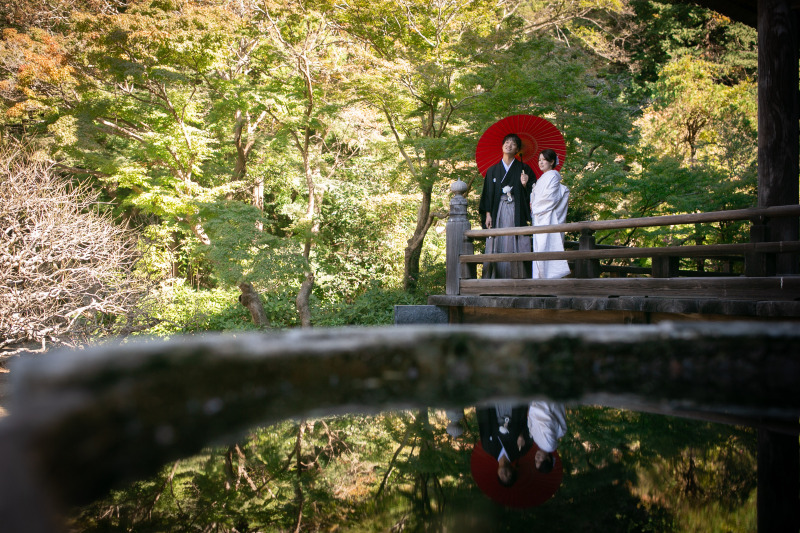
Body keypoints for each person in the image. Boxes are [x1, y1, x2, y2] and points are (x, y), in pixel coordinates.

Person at [478, 133, 534, 279]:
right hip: (498, 211)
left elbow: (534, 193)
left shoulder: (524, 169)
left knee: (515, 238)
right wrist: (488, 214)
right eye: (507, 142)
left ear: (517, 150)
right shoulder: (492, 170)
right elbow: (488, 193)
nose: (509, 145)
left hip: (516, 209)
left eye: (513, 144)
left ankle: (518, 274)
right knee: (497, 239)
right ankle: (496, 275)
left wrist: (525, 184)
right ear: (502, 146)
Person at [530, 148, 571, 279]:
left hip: (548, 217)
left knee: (547, 248)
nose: (541, 162)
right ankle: (540, 281)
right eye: (539, 160)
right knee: (540, 249)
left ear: (552, 162)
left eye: (544, 160)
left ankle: (550, 280)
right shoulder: (542, 178)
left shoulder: (553, 176)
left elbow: (550, 198)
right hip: (539, 217)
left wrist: (535, 205)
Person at [476, 404, 533, 486]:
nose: (505, 474)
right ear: (513, 471)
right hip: (514, 407)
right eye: (509, 476)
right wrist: (523, 434)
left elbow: (483, 422)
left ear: (498, 474)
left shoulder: (488, 447)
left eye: (502, 477)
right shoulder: (522, 450)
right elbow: (532, 425)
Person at [527, 401, 567, 473]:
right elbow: (546, 421)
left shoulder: (539, 443)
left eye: (536, 460)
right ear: (548, 459)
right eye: (540, 460)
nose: (537, 457)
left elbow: (531, 426)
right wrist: (531, 410)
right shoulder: (549, 445)